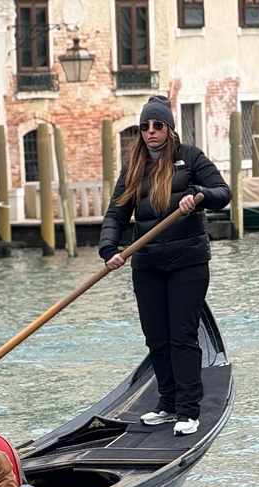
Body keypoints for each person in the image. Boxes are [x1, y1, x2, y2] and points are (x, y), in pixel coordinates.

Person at [99, 95, 230, 437]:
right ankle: (168, 404)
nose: (150, 132)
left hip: (188, 261)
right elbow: (116, 214)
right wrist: (108, 249)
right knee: (157, 337)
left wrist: (198, 194)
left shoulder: (191, 157)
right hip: (147, 264)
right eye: (145, 126)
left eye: (157, 125)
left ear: (169, 129)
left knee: (182, 335)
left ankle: (188, 410)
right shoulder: (133, 168)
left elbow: (223, 192)